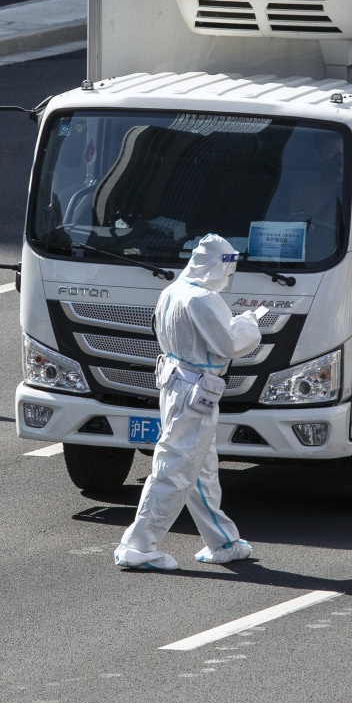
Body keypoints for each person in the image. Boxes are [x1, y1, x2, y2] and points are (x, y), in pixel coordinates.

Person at [115, 234, 269, 571]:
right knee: (175, 469)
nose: (230, 276)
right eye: (229, 269)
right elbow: (229, 344)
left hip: (176, 384)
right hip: (195, 391)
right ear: (217, 266)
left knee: (201, 469)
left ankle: (223, 542)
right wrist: (248, 324)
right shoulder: (203, 299)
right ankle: (138, 546)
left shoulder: (172, 290)